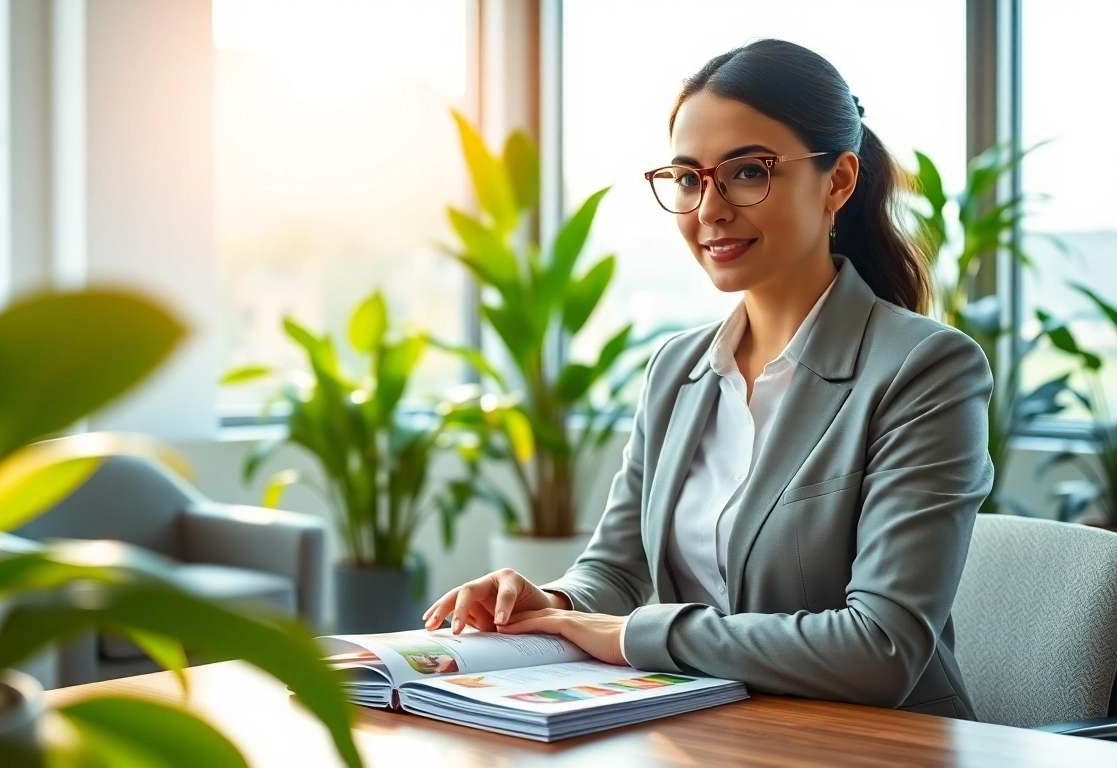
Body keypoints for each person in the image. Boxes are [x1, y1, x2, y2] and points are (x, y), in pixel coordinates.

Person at [422, 39, 992, 720]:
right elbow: (618, 570)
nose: (710, 209)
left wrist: (635, 635)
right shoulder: (677, 370)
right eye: (689, 178)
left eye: (748, 172)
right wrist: (558, 604)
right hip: (711, 733)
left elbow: (880, 649)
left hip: (872, 746)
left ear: (837, 181)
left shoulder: (925, 369)